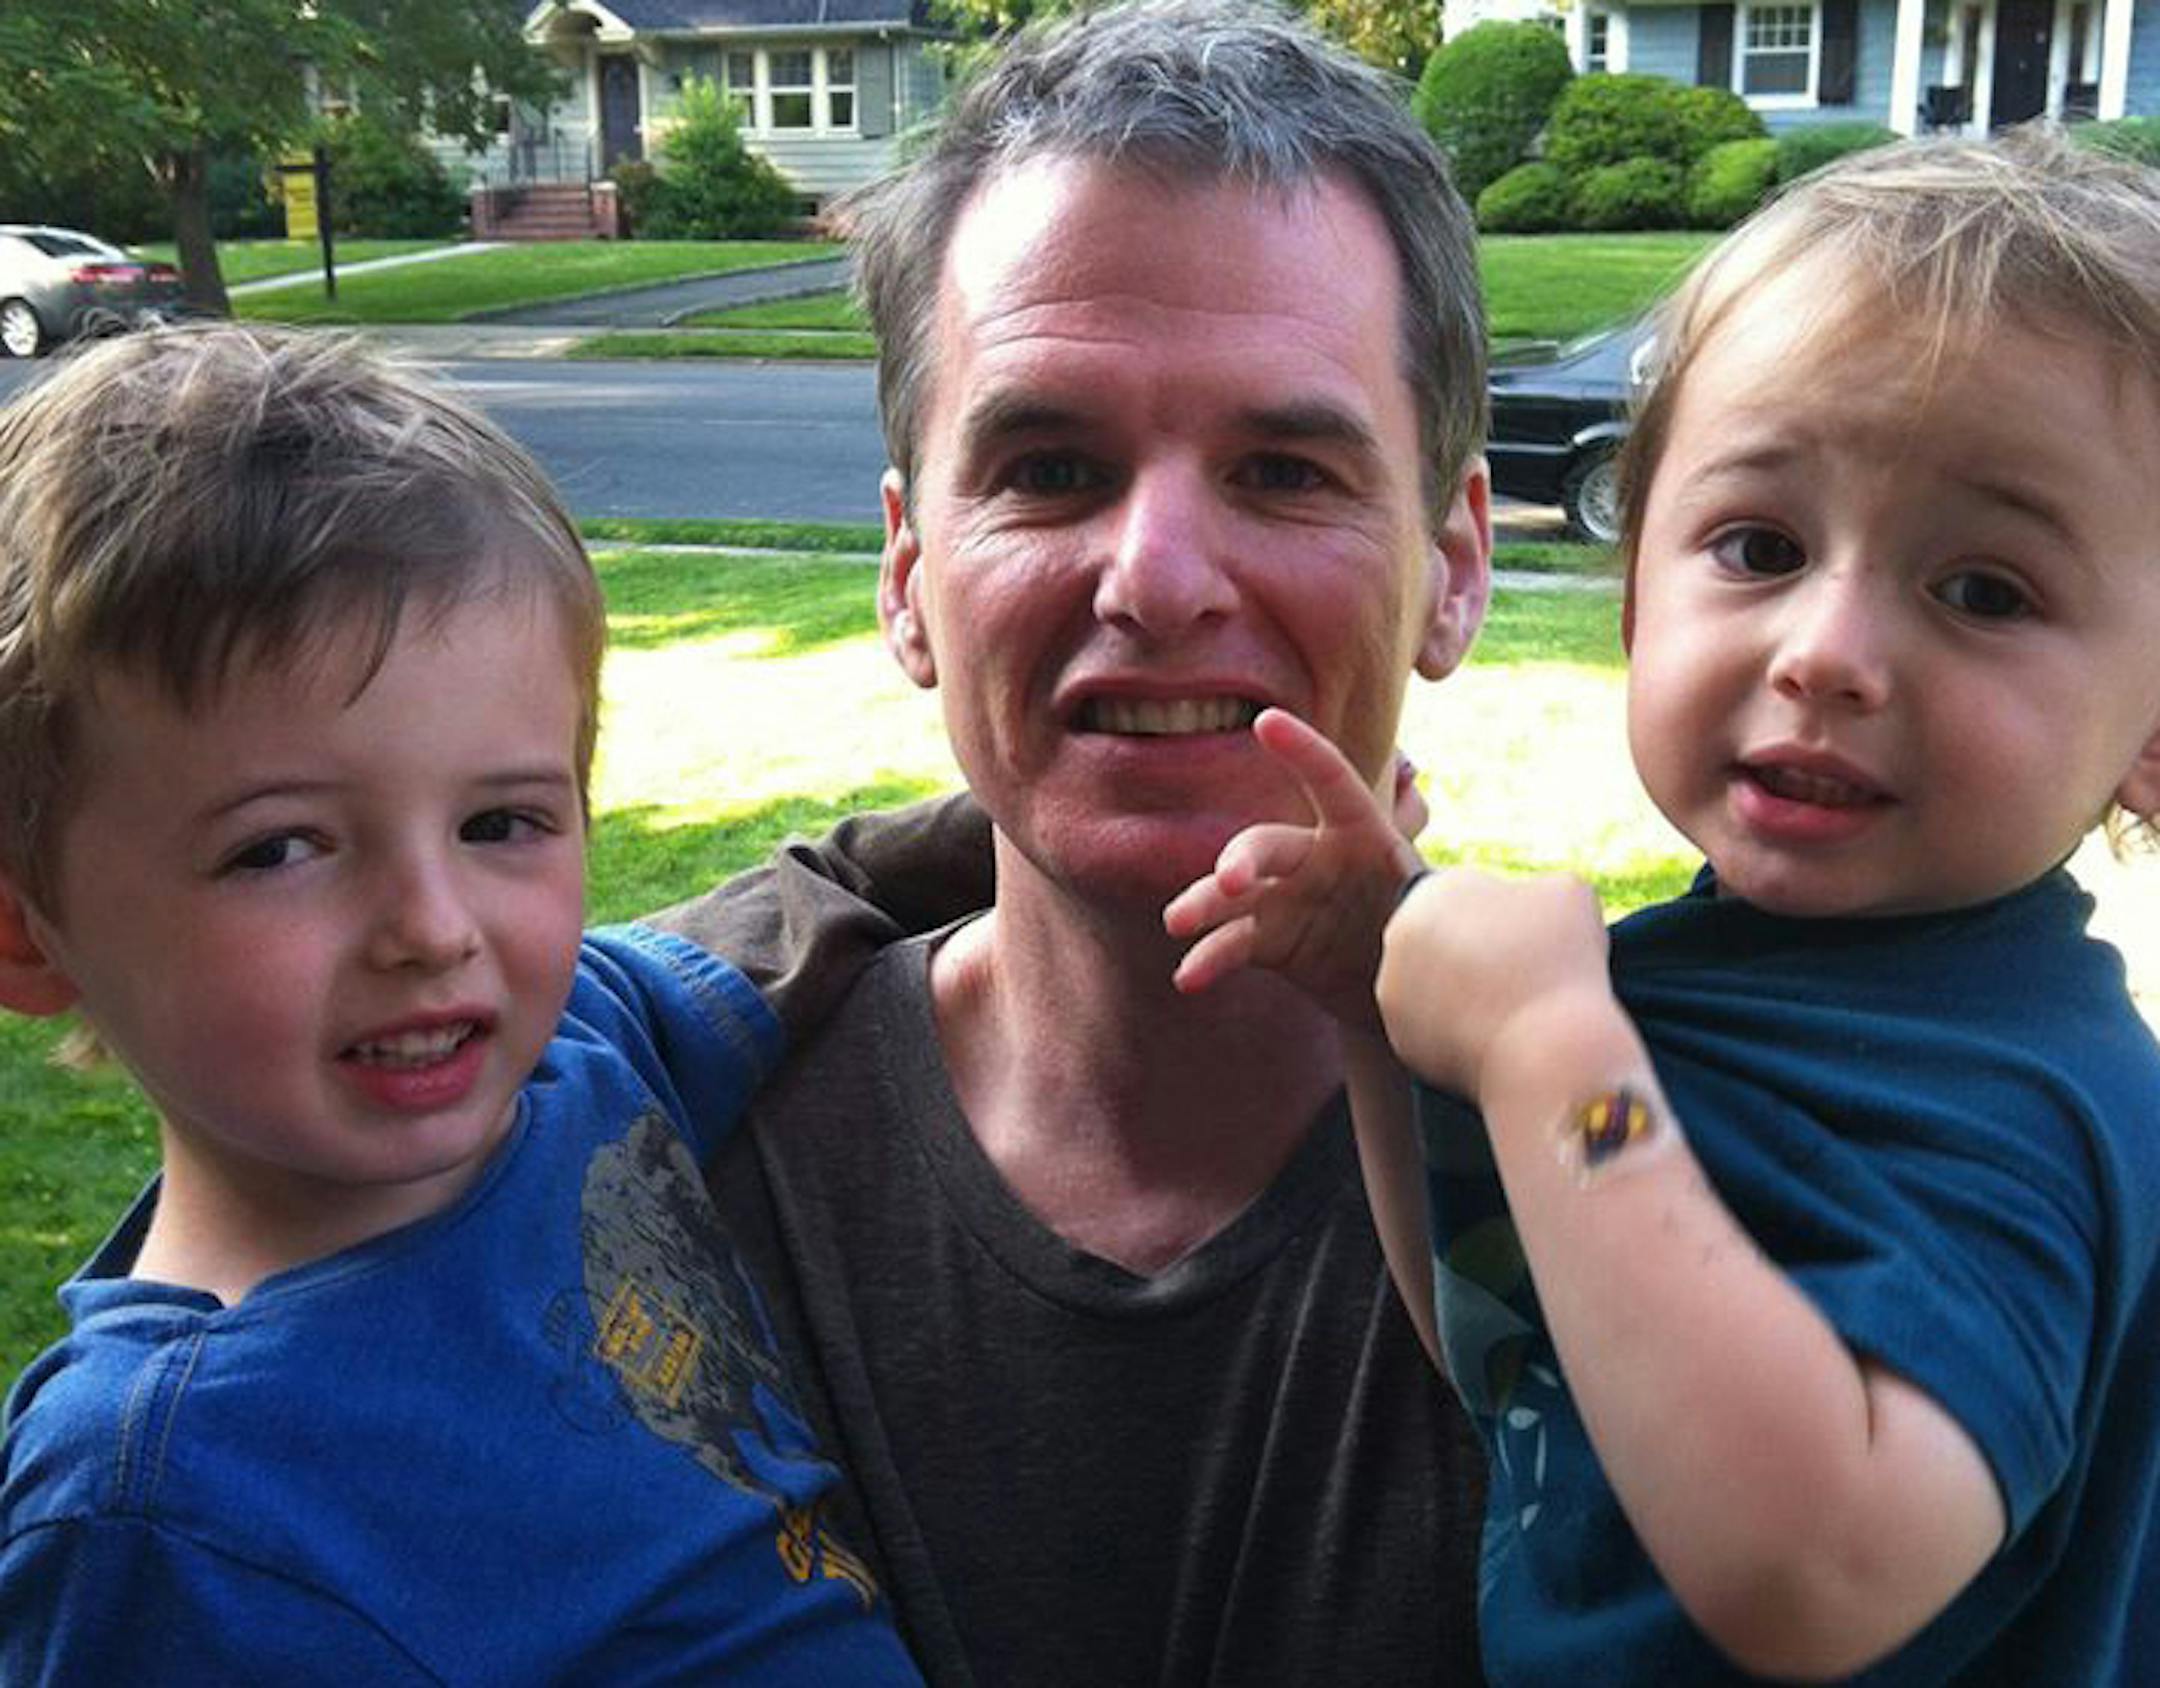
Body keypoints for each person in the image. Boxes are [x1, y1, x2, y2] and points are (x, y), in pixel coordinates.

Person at [1167, 130, 2160, 1683]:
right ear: (1640, 604)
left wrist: (1558, 1053)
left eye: (1986, 591)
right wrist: (1379, 1010)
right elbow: (1512, 1346)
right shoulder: (1711, 986)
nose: (1827, 649)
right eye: (1758, 548)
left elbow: (1816, 1572)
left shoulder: (2020, 1110)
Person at [654, 0, 1498, 1680]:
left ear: (1454, 565)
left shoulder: (1672, 1184)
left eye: (1281, 468)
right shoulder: (643, 1185)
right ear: (907, 575)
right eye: (1047, 466)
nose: (1161, 576)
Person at [0, 325, 925, 1684]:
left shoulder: (588, 1058)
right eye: (281, 848)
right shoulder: (156, 1502)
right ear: (27, 935)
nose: (433, 931)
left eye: (502, 821)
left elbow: (814, 898)